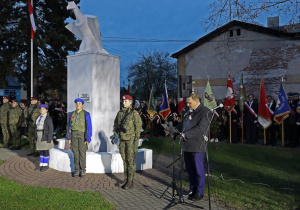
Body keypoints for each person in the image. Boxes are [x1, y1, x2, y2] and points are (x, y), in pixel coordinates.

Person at [175, 93, 212, 201]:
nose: (187, 104)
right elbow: (184, 125)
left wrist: (186, 134)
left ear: (197, 101)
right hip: (187, 145)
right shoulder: (188, 111)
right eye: (187, 102)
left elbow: (201, 129)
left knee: (198, 170)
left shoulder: (205, 112)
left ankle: (200, 192)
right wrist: (172, 129)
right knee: (190, 170)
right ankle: (192, 189)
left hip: (197, 145)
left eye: (189, 102)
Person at [113, 95, 142, 190]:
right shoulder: (120, 113)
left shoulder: (134, 114)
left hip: (130, 140)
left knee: (130, 161)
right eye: (123, 101)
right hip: (122, 140)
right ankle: (125, 179)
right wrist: (116, 135)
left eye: (126, 101)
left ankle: (130, 181)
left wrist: (135, 142)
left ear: (130, 102)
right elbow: (115, 124)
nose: (124, 102)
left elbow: (138, 128)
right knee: (124, 160)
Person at [66, 98, 92, 178]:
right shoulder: (71, 114)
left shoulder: (86, 114)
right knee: (75, 152)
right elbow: (68, 126)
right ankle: (77, 170)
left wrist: (88, 138)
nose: (78, 105)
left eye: (79, 103)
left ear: (83, 105)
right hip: (73, 135)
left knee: (82, 153)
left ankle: (83, 170)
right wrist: (69, 137)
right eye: (76, 103)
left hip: (82, 134)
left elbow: (89, 127)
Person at [34, 104, 54, 172]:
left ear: (46, 110)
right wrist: (35, 137)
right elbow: (35, 127)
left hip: (45, 135)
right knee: (40, 150)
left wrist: (49, 139)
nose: (42, 110)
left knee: (45, 150)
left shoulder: (48, 118)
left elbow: (51, 129)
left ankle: (45, 165)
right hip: (38, 134)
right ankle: (42, 163)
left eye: (43, 109)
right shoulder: (38, 117)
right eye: (41, 109)